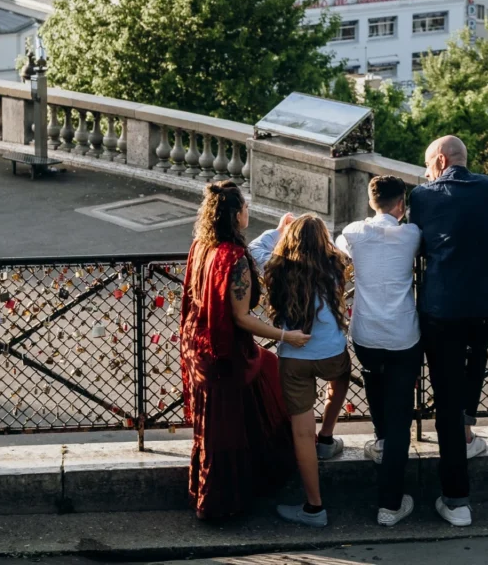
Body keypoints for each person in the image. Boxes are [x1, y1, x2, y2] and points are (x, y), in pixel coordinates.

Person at [180, 180, 310, 520]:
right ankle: (227, 500)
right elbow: (241, 318)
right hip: (224, 354)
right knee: (263, 385)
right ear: (237, 215)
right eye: (246, 208)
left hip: (198, 345)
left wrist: (279, 233)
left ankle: (214, 491)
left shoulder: (202, 246)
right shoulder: (234, 258)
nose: (248, 213)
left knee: (219, 424)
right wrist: (286, 335)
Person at [409, 136, 488, 529]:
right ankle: (468, 429)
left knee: (445, 403)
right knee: (475, 359)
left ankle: (456, 499)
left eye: (429, 166)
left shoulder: (422, 196)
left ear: (441, 161)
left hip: (443, 310)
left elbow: (417, 237)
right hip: (487, 307)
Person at [251, 214, 351, 529]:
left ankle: (314, 507)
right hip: (332, 352)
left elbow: (255, 247)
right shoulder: (335, 265)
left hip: (294, 356)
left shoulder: (276, 266)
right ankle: (327, 436)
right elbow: (336, 249)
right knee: (341, 379)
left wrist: (280, 230)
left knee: (301, 431)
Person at [336, 174, 422, 528]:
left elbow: (337, 251)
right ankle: (389, 504)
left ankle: (382, 441)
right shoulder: (413, 234)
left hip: (366, 331)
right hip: (403, 333)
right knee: (402, 412)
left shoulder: (353, 233)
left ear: (371, 201)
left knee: (373, 382)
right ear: (401, 204)